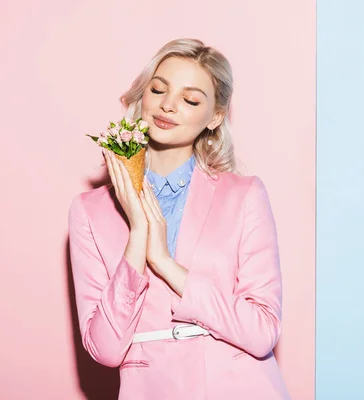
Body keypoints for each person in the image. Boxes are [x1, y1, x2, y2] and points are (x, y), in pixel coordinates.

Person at [68, 38, 290, 399]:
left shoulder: (245, 195)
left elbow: (263, 330)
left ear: (215, 116)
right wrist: (138, 234)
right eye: (158, 90)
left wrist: (165, 263)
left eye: (190, 99)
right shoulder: (89, 211)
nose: (168, 105)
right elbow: (105, 350)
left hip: (239, 386)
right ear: (144, 95)